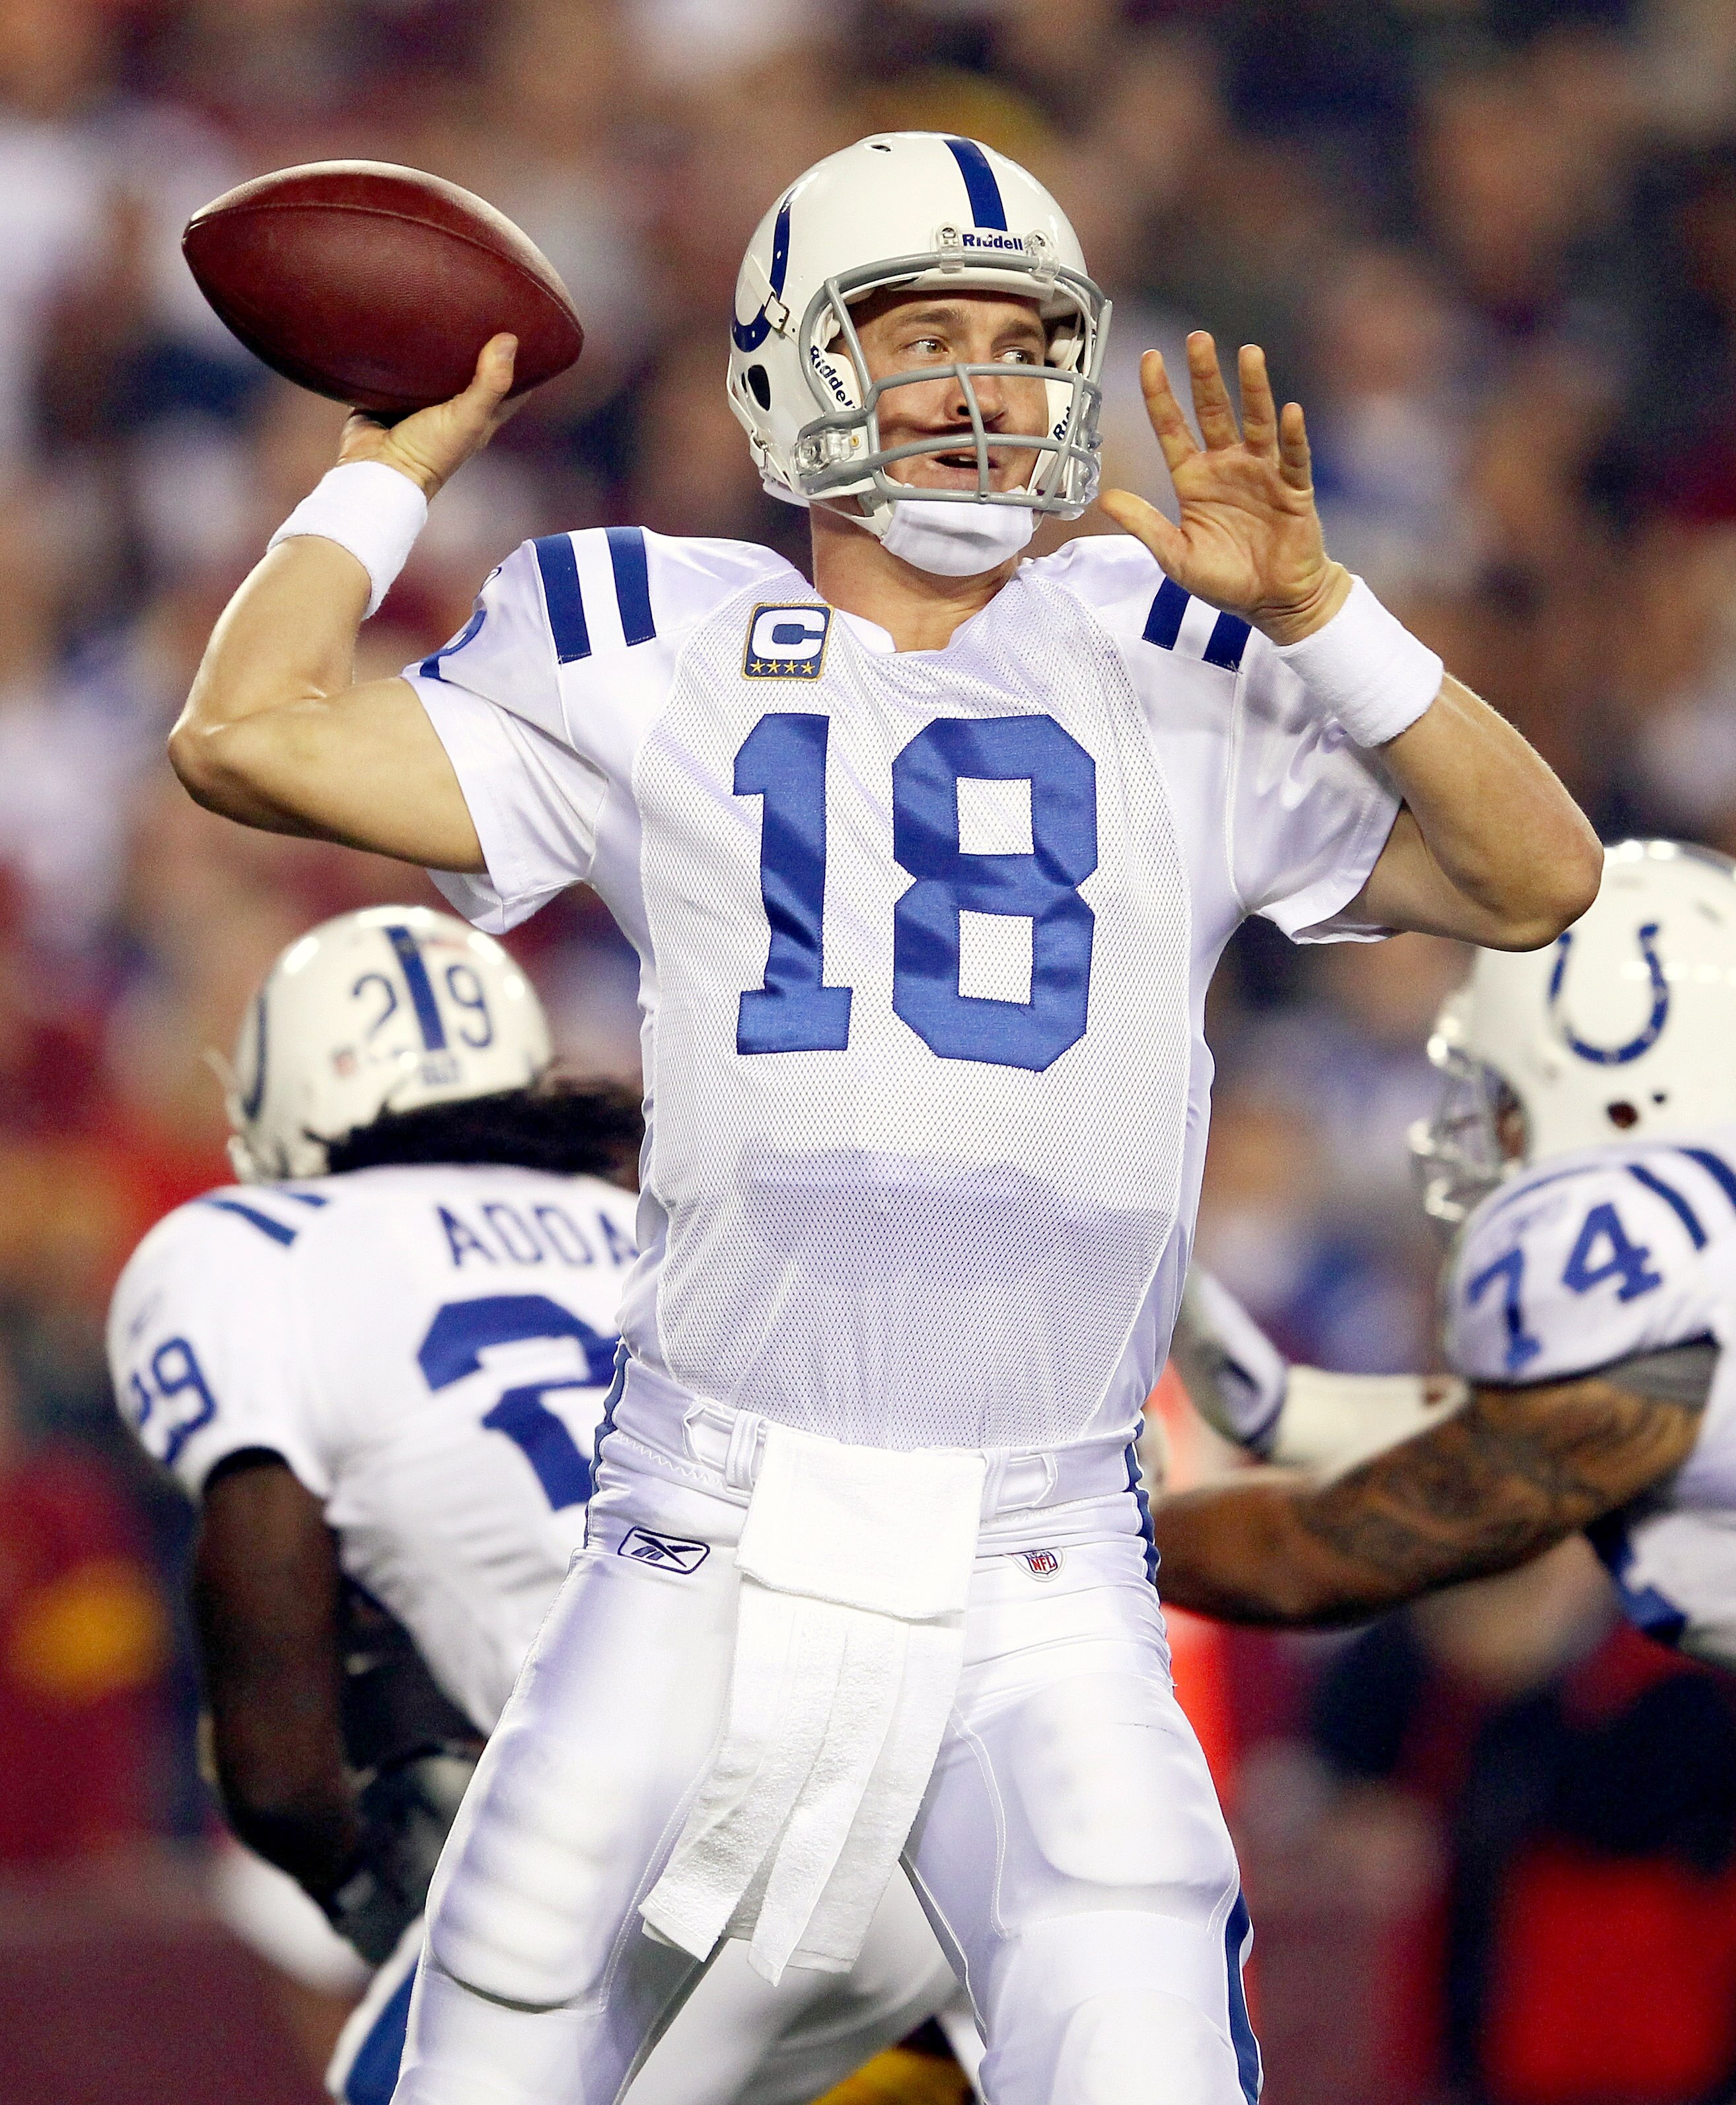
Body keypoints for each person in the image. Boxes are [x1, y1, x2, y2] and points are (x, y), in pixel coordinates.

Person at [164, 131, 1599, 2105]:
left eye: (1023, 344)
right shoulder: (643, 635)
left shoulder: (1175, 651)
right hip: (697, 1536)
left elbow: (1536, 878)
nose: (980, 388)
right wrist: (382, 474)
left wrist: (1325, 612)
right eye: (924, 336)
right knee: (487, 2059)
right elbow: (247, 736)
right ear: (790, 368)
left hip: (1043, 1564)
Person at [108, 905, 959, 2105]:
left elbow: (277, 1766)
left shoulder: (249, 1247)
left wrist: (359, 1886)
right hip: (922, 1805)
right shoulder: (668, 1232)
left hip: (656, 1843)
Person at [1155, 839, 1736, 1673]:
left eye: (1510, 1094)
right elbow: (1488, 1423)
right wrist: (1286, 1410)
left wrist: (1098, 1531)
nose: (1490, 1130)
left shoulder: (1649, 1259)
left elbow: (1315, 1555)